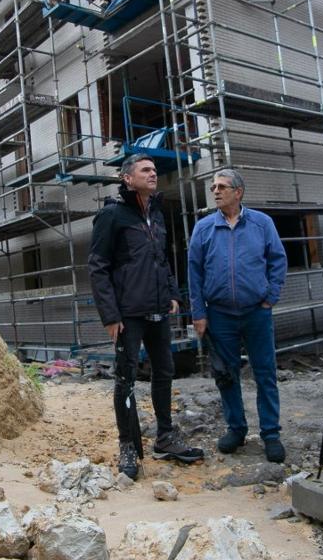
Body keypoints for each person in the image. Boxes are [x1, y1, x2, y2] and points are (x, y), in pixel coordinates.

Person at [88, 154, 204, 480]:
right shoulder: (112, 215)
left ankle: (165, 437)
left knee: (164, 372)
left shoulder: (156, 213)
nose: (153, 173)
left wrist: (172, 294)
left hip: (158, 310)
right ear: (128, 178)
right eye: (145, 170)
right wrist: (110, 315)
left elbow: (160, 259)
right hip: (128, 315)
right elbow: (98, 267)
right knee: (125, 379)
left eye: (154, 170)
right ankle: (128, 444)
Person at [187, 168, 289, 463]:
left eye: (222, 186)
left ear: (238, 192)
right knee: (226, 375)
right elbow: (194, 272)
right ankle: (236, 429)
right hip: (220, 314)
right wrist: (199, 312)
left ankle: (271, 433)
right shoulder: (204, 228)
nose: (216, 191)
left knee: (265, 373)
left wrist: (271, 297)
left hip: (257, 312)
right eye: (214, 187)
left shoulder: (261, 223)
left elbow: (277, 260)